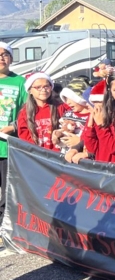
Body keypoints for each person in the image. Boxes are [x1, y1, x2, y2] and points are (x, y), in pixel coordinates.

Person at [0, 42, 28, 225]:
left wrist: (14, 126)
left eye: (5, 54)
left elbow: (28, 112)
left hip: (8, 146)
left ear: (11, 58)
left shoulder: (21, 82)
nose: (1, 58)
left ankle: (4, 228)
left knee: (7, 190)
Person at [17, 72, 65, 150]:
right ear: (30, 90)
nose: (43, 90)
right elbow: (24, 137)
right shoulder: (25, 112)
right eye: (38, 87)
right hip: (36, 156)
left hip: (57, 156)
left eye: (46, 86)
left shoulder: (60, 107)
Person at [53, 77, 91, 154]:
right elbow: (63, 129)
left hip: (82, 157)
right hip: (65, 155)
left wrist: (80, 141)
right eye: (66, 99)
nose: (68, 102)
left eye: (71, 98)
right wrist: (57, 135)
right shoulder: (68, 114)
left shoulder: (91, 116)